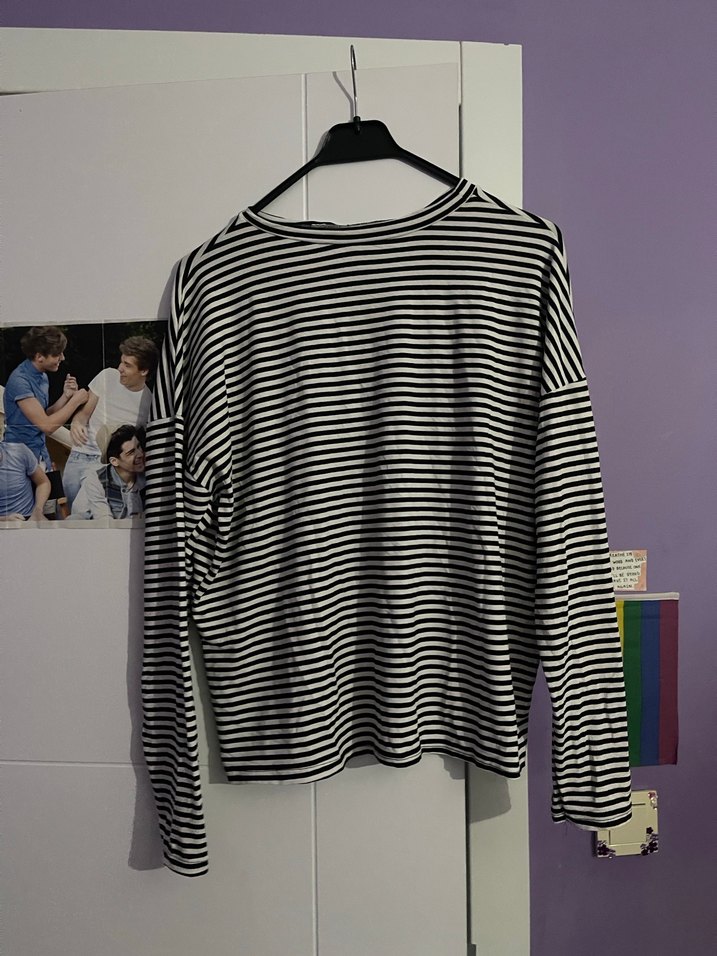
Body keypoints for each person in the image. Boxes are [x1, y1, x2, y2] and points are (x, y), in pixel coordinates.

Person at [63, 336, 158, 506]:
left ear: (144, 371)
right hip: (79, 456)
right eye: (121, 362)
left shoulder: (149, 403)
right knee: (74, 514)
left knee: (89, 512)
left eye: (127, 365)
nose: (120, 368)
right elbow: (83, 414)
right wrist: (77, 422)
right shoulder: (107, 376)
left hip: (108, 467)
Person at [2, 326, 89, 471]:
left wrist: (66, 397)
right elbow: (47, 426)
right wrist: (75, 401)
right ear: (39, 357)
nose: (62, 358)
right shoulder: (20, 381)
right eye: (57, 354)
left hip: (39, 454)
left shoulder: (42, 376)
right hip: (19, 460)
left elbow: (42, 416)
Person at [70, 424, 146, 520]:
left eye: (138, 447)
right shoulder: (97, 480)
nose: (140, 454)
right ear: (114, 461)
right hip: (91, 522)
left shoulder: (146, 475)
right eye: (131, 452)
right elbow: (105, 522)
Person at [0, 441, 51, 522]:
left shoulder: (19, 451)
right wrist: (4, 520)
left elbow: (43, 483)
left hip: (28, 519)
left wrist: (38, 510)